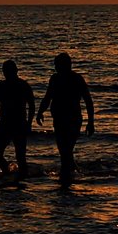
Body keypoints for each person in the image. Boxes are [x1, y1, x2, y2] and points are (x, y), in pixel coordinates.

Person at [36, 52, 94, 188]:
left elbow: (88, 101)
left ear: (66, 65)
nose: (56, 68)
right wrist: (40, 112)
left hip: (73, 119)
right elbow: (47, 97)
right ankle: (72, 176)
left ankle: (66, 181)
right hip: (59, 119)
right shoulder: (55, 79)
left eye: (57, 65)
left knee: (66, 151)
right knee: (65, 151)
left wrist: (91, 122)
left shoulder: (77, 79)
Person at [0, 59, 35, 184]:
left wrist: (29, 123)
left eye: (8, 71)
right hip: (5, 124)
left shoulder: (23, 85)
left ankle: (22, 181)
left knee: (20, 156)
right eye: (5, 71)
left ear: (15, 71)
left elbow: (32, 105)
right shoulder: (2, 86)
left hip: (19, 123)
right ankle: (7, 172)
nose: (6, 74)